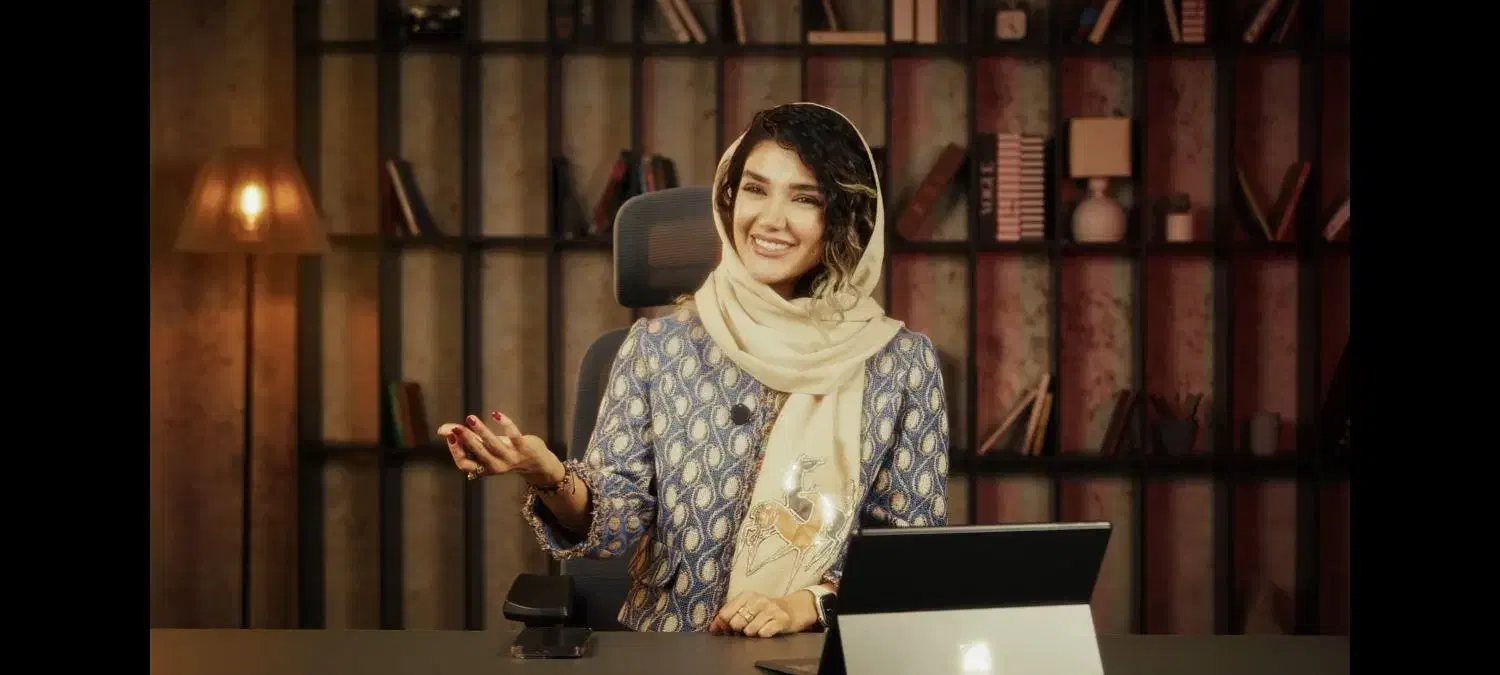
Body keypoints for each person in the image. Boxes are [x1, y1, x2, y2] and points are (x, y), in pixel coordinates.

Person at [438, 102, 950, 637]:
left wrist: (808, 605)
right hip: (674, 646)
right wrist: (549, 476)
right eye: (755, 189)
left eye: (805, 198)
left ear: (843, 217)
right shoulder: (657, 348)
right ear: (729, 200)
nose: (770, 219)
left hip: (816, 650)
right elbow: (618, 523)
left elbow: (911, 559)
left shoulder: (900, 363)